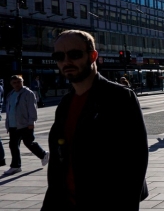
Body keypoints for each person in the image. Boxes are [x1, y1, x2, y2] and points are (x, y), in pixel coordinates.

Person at [42, 30, 148, 210]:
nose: (66, 61)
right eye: (59, 56)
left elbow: (135, 161)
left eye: (75, 54)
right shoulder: (65, 104)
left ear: (93, 56)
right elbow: (59, 162)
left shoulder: (119, 97)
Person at [3, 75, 49, 176]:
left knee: (29, 142)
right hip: (13, 124)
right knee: (13, 145)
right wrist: (7, 123)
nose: (17, 84)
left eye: (19, 82)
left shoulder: (28, 93)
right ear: (11, 84)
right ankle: (16, 166)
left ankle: (43, 154)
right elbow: (9, 109)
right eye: (14, 83)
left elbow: (32, 108)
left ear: (22, 82)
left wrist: (32, 121)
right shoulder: (10, 94)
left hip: (24, 124)